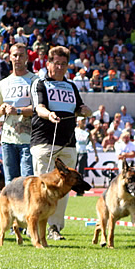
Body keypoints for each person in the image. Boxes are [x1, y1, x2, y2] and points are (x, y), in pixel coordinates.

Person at [30, 45, 93, 240]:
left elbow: (80, 108)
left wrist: (86, 110)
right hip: (44, 142)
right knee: (41, 187)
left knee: (65, 188)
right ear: (48, 63)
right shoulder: (40, 83)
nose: (59, 67)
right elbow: (38, 107)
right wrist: (49, 115)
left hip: (68, 143)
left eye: (63, 64)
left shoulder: (72, 86)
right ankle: (35, 222)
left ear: (67, 66)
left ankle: (54, 227)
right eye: (56, 63)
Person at [0, 43, 37, 186]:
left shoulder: (35, 81)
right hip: (7, 140)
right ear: (10, 57)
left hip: (28, 140)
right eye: (15, 55)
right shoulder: (4, 83)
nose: (18, 58)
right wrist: (2, 109)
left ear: (27, 58)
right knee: (10, 184)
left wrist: (18, 110)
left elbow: (39, 108)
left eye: (21, 55)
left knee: (27, 183)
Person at [74, 116, 97, 196]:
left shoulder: (87, 131)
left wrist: (96, 154)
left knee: (81, 172)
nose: (83, 122)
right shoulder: (75, 130)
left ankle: (79, 191)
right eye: (82, 121)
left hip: (83, 152)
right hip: (75, 151)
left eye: (84, 121)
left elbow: (93, 143)